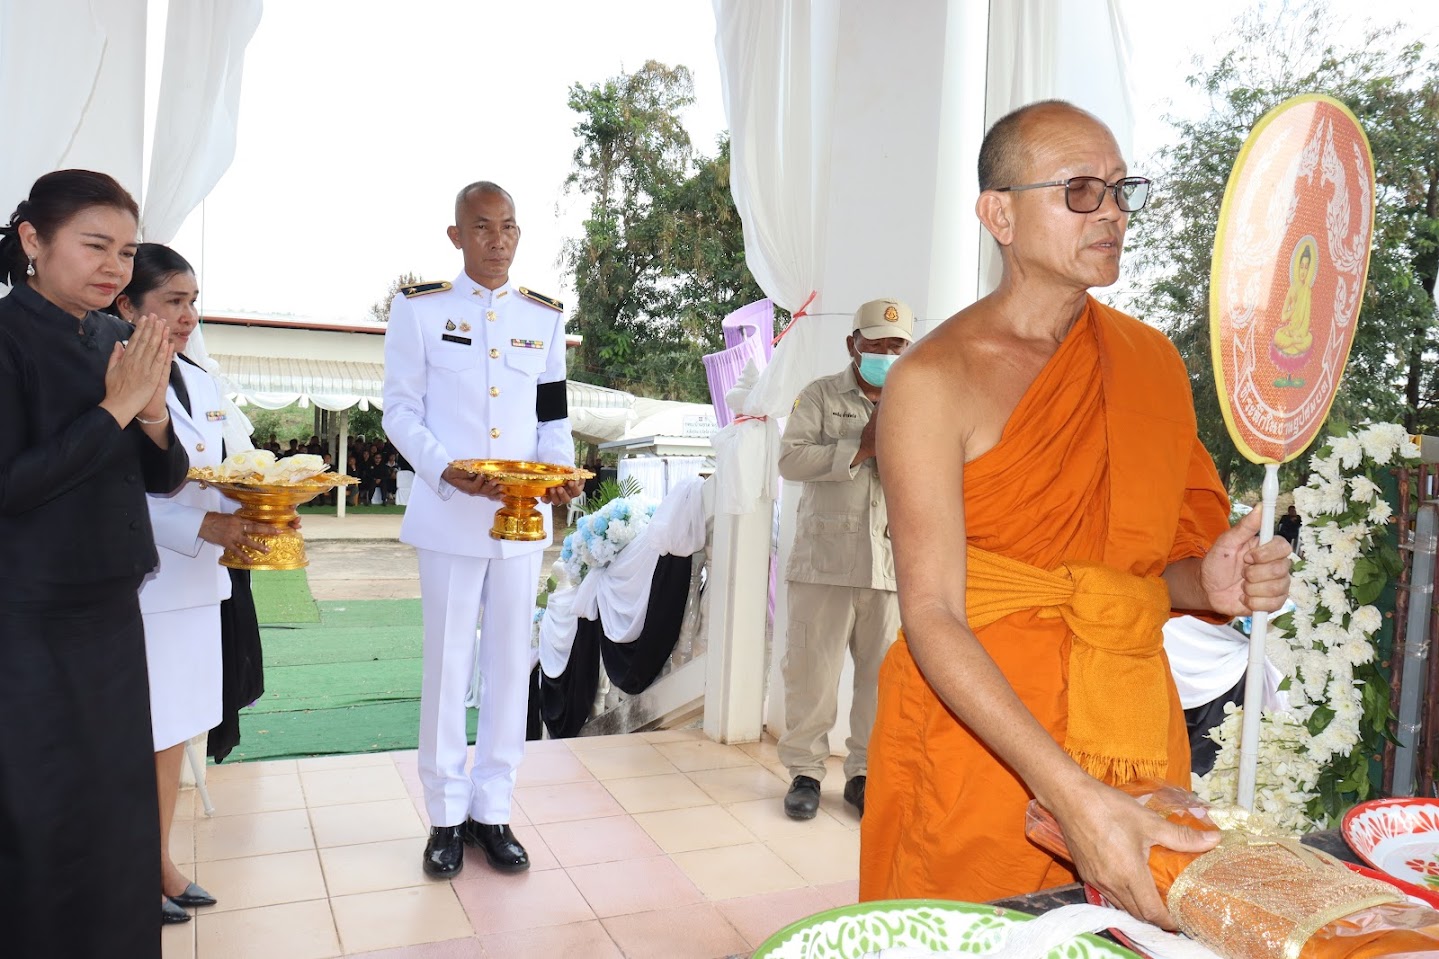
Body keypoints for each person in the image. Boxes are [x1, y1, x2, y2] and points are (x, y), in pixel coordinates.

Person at [858, 101, 1293, 929]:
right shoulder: (931, 379)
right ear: (999, 214)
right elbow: (932, 612)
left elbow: (1139, 578)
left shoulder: (1148, 362)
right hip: (981, 742)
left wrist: (1207, 578)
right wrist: (1068, 793)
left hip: (1128, 725)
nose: (1114, 213)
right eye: (1082, 191)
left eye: (1123, 190)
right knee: (975, 934)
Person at [0, 169, 189, 958]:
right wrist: (114, 408)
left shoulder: (120, 337)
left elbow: (163, 475)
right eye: (95, 245)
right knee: (41, 813)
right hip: (32, 620)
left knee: (116, 808)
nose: (115, 266)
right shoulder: (7, 340)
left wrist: (148, 416)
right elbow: (12, 486)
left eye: (126, 251)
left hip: (112, 611)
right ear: (34, 242)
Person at [383, 180, 581, 879]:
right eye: (482, 227)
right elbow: (400, 412)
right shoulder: (419, 310)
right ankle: (443, 813)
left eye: (508, 228)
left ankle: (492, 808)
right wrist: (446, 468)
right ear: (456, 235)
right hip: (450, 513)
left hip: (521, 523)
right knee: (447, 664)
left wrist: (557, 475)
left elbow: (551, 417)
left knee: (509, 663)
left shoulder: (543, 317)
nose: (497, 240)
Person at [113, 243, 269, 924]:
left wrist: (260, 509)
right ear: (127, 305)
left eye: (191, 300)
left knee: (174, 730)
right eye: (172, 301)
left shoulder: (199, 380)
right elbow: (111, 484)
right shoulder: (109, 372)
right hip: (139, 585)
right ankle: (124, 871)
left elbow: (222, 473)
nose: (187, 315)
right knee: (130, 734)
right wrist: (197, 528)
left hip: (197, 588)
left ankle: (158, 861)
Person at [775, 298, 911, 821]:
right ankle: (806, 773)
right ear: (853, 343)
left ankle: (864, 775)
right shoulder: (820, 395)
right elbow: (790, 459)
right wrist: (862, 445)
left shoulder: (920, 398)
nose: (885, 352)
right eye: (875, 343)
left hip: (891, 565)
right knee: (812, 674)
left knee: (882, 681)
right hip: (823, 565)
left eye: (896, 345)